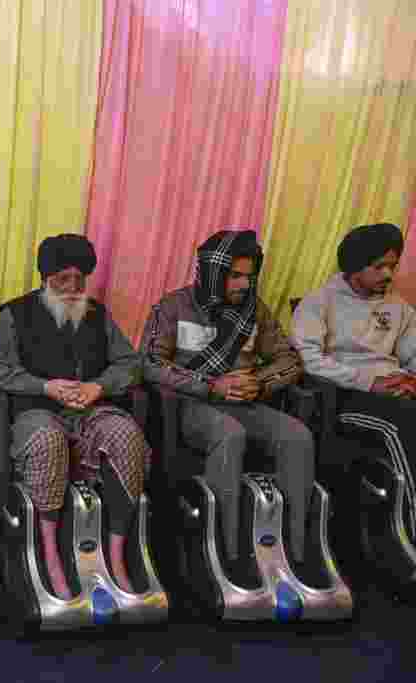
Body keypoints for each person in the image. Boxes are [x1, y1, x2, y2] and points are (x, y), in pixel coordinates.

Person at [0, 233, 150, 597]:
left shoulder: (97, 314)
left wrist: (99, 387)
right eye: (62, 280)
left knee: (127, 435)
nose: (72, 288)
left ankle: (117, 555)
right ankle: (49, 553)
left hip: (91, 411)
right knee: (46, 440)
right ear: (45, 278)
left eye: (79, 280)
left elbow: (130, 364)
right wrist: (43, 386)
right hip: (36, 411)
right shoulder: (15, 313)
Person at [142, 229, 313, 570]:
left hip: (245, 402)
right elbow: (149, 362)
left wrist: (258, 383)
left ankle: (294, 550)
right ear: (212, 274)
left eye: (249, 277)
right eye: (234, 276)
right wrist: (210, 385)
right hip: (191, 406)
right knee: (229, 433)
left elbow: (290, 359)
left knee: (298, 436)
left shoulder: (255, 312)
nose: (244, 285)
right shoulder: (173, 306)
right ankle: (224, 550)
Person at [293, 222, 416, 538]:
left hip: (397, 390)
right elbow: (309, 359)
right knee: (402, 423)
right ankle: (412, 526)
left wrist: (411, 381)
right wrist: (367, 382)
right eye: (379, 267)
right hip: (348, 397)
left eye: (392, 266)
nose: (388, 274)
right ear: (354, 267)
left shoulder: (398, 307)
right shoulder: (319, 303)